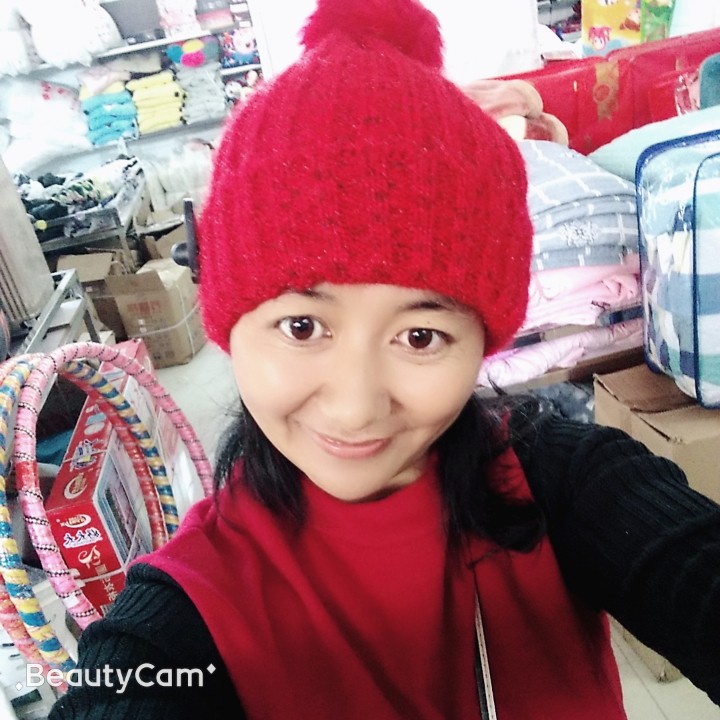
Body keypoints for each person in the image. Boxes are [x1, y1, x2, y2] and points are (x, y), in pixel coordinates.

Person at [50, 0, 720, 718]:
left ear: (484, 340)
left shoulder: (566, 484)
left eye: (420, 337)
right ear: (228, 325)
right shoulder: (181, 617)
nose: (356, 406)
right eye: (302, 326)